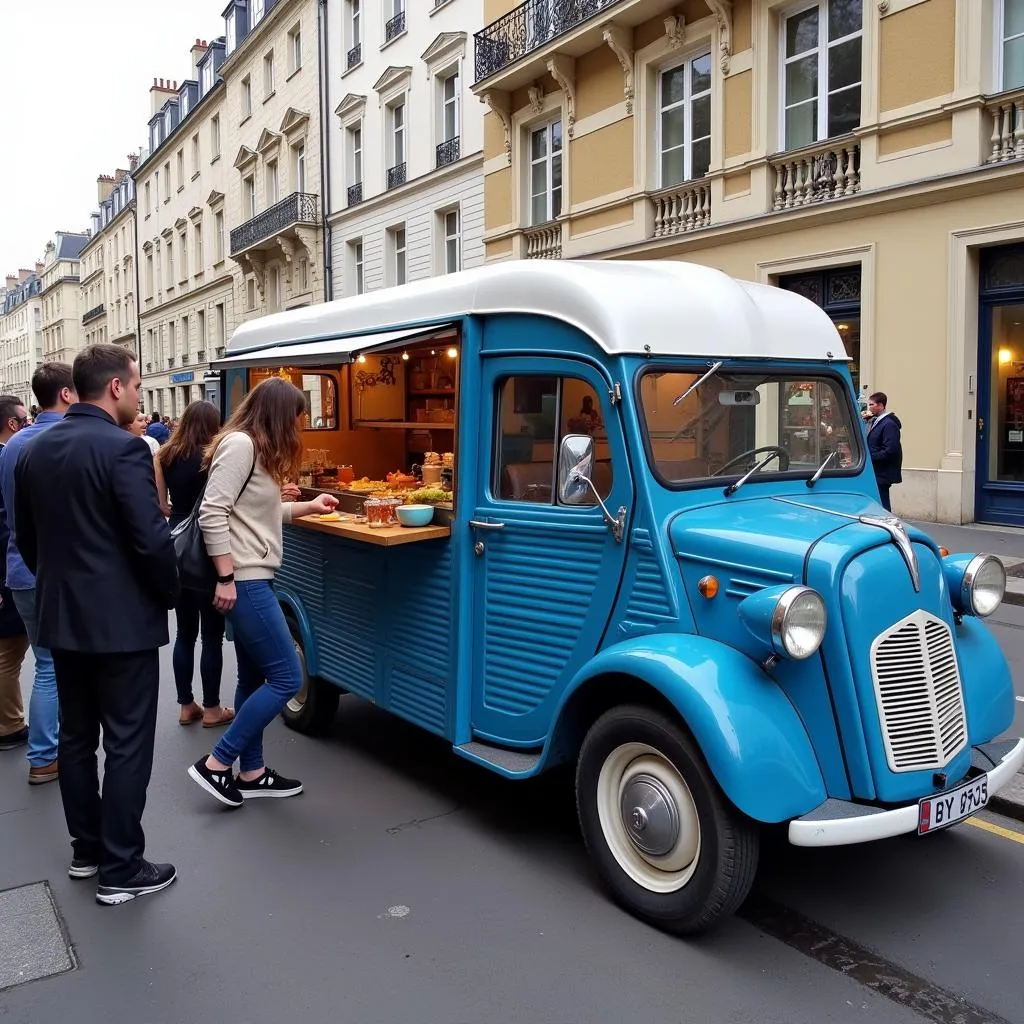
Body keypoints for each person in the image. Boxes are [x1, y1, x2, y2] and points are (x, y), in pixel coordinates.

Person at [15, 344, 179, 905]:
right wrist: (169, 592)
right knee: (129, 742)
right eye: (135, 386)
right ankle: (122, 866)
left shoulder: (35, 449)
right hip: (121, 621)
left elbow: (29, 540)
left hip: (64, 616)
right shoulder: (124, 449)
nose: (138, 396)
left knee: (79, 738)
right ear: (114, 388)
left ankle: (88, 850)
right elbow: (150, 539)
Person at [188, 378, 337, 808]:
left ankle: (251, 773)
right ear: (277, 415)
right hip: (246, 579)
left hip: (253, 576)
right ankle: (217, 764)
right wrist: (226, 576)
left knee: (254, 677)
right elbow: (212, 513)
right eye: (296, 417)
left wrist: (307, 506)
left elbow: (255, 514)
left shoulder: (252, 448)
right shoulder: (241, 445)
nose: (299, 426)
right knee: (288, 675)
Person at [0, 364, 76, 785]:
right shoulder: (60, 439)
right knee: (52, 665)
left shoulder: (13, 445)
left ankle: (51, 749)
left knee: (48, 661)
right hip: (50, 569)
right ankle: (46, 754)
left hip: (19, 568)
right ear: (66, 394)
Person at [154, 400, 234, 728]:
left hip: (179, 547)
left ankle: (186, 705)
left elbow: (161, 505)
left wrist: (179, 514)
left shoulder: (164, 455)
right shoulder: (216, 456)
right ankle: (213, 708)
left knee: (185, 633)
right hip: (211, 548)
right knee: (212, 636)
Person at [0, 396, 29, 751]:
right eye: (24, 420)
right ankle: (8, 725)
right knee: (8, 653)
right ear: (12, 423)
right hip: (10, 571)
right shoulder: (5, 459)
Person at [866, 391, 903, 513]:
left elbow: (890, 450)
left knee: (883, 505)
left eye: (871, 404)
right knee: (878, 503)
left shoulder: (889, 424)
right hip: (876, 471)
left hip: (882, 472)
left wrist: (870, 457)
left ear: (880, 405)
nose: (869, 407)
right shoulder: (876, 421)